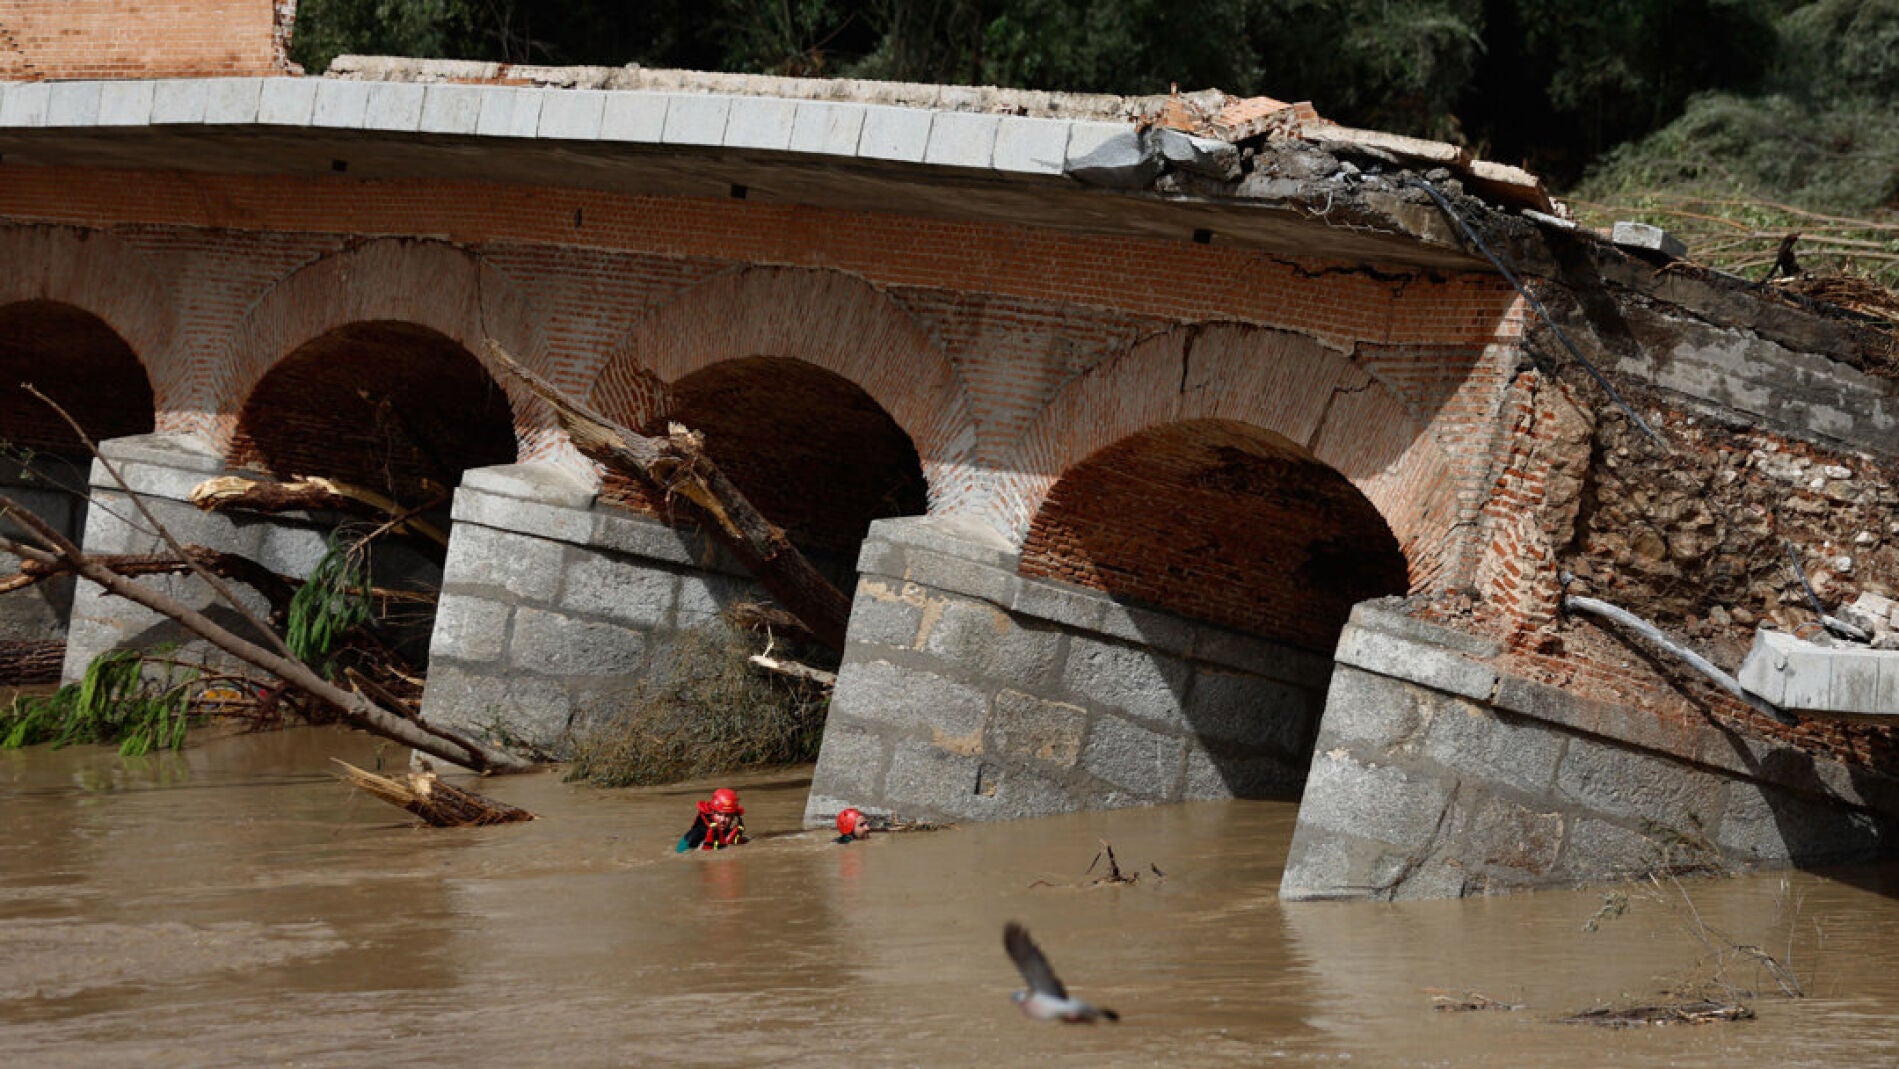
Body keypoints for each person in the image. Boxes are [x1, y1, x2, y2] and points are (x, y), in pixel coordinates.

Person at [676, 787, 748, 852]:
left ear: (733, 817)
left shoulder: (731, 833)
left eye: (727, 815)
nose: (722, 820)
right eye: (719, 814)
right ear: (712, 813)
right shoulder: (696, 834)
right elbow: (678, 854)